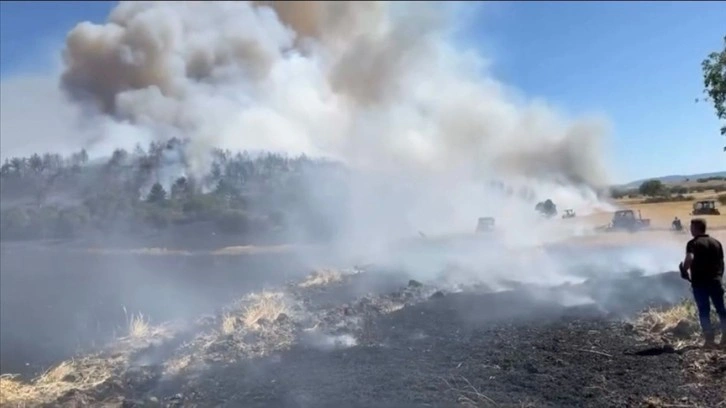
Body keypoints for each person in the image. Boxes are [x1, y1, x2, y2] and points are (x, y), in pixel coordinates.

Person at [679, 218, 726, 346]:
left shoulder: (693, 243)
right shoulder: (716, 243)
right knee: (721, 309)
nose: (690, 230)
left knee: (704, 311)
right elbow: (722, 263)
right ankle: (725, 337)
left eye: (691, 227)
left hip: (700, 283)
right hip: (716, 281)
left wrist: (684, 270)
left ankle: (709, 340)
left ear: (696, 228)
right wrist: (719, 276)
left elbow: (690, 257)